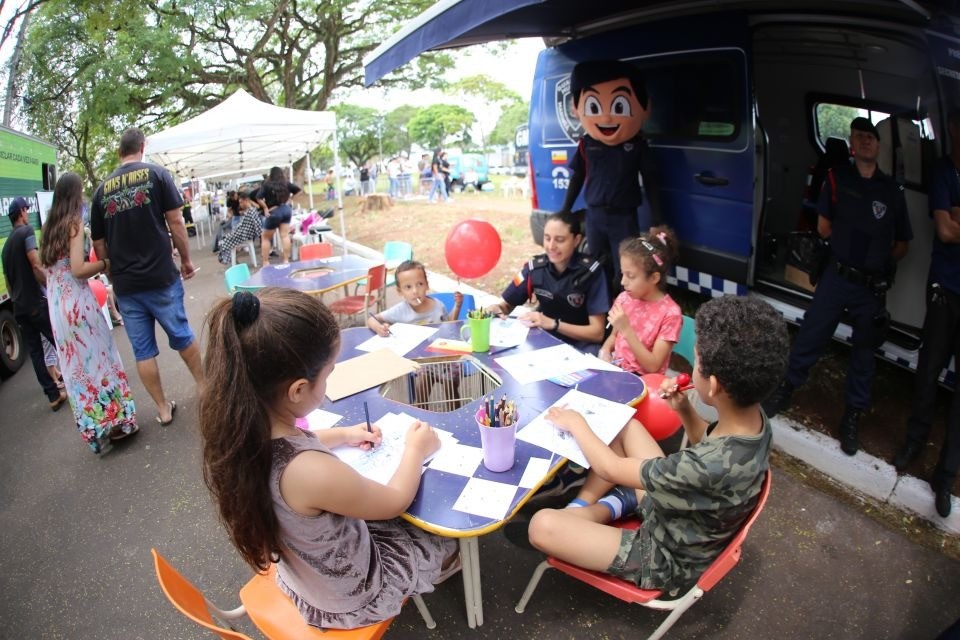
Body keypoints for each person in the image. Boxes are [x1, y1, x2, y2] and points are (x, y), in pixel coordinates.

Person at [199, 288, 458, 630]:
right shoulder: (309, 471)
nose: (329, 379)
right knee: (443, 532)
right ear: (298, 390)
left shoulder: (242, 430)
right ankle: (449, 570)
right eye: (328, 372)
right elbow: (394, 501)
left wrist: (345, 434)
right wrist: (416, 449)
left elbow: (299, 444)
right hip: (353, 594)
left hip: (305, 575)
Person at [526, 295, 788, 595]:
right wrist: (685, 410)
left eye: (696, 360)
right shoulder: (755, 421)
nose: (692, 363)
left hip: (664, 555)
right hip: (681, 510)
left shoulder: (703, 466)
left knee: (542, 526)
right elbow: (709, 440)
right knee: (627, 426)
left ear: (713, 386)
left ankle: (607, 507)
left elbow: (609, 467)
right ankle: (609, 504)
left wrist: (575, 422)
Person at [763, 117, 912, 456]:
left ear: (878, 145)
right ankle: (785, 390)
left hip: (870, 287)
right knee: (811, 335)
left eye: (870, 137)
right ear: (851, 142)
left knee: (864, 354)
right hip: (837, 276)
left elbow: (903, 244)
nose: (865, 142)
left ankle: (851, 418)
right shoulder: (836, 178)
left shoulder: (892, 191)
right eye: (859, 136)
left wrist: (876, 261)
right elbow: (824, 226)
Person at [89, 126, 202, 426]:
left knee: (142, 351)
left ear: (119, 152)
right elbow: (176, 221)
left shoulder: (101, 191)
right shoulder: (158, 175)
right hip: (161, 276)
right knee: (181, 335)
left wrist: (113, 272)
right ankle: (206, 389)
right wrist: (187, 260)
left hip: (126, 286)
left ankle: (163, 409)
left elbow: (99, 245)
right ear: (142, 146)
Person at [39, 172, 139, 454]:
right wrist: (107, 262)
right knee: (101, 360)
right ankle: (119, 421)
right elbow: (78, 270)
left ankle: (96, 430)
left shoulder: (47, 229)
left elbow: (51, 271)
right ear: (75, 194)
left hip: (58, 310)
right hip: (78, 305)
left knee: (76, 371)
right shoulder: (73, 225)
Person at [891, 110, 960, 518]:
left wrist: (955, 217)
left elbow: (954, 225)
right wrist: (951, 220)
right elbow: (946, 230)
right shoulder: (944, 172)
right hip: (945, 290)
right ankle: (914, 441)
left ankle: (945, 475)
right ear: (952, 128)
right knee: (928, 371)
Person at [559, 59, 662, 294]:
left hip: (624, 217)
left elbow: (651, 181)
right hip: (594, 216)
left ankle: (621, 312)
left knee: (625, 269)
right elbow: (577, 177)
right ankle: (599, 311)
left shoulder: (637, 145)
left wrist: (657, 220)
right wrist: (565, 210)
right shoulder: (587, 143)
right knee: (595, 265)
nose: (606, 118)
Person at [485, 210, 609, 354]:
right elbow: (507, 305)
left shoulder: (591, 272)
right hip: (543, 339)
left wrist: (553, 324)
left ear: (576, 240)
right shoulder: (535, 268)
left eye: (560, 240)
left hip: (581, 346)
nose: (551, 246)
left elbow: (597, 333)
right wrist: (497, 308)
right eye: (547, 238)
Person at [1, 197, 67, 410]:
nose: (28, 213)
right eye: (26, 209)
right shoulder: (26, 233)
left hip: (19, 306)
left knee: (36, 352)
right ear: (21, 212)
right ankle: (77, 380)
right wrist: (52, 286)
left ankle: (53, 395)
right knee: (58, 339)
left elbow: (10, 285)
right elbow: (36, 264)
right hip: (35, 303)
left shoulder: (5, 247)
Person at [600, 226, 682, 375]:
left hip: (645, 383)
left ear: (654, 278)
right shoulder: (624, 298)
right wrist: (605, 350)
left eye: (630, 276)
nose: (623, 282)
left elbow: (653, 366)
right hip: (617, 373)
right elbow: (613, 337)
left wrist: (627, 330)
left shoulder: (670, 314)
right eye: (622, 273)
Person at [367, 260, 462, 334]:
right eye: (408, 287)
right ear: (400, 291)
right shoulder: (400, 310)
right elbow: (371, 319)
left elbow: (449, 324)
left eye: (420, 284)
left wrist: (457, 306)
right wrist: (378, 328)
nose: (415, 291)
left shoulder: (438, 305)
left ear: (427, 285)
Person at [255, 166, 301, 265]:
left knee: (265, 238)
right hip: (286, 210)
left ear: (271, 174)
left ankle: (266, 262)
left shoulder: (267, 184)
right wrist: (289, 200)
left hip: (274, 211)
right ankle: (286, 260)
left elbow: (258, 198)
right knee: (285, 236)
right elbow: (298, 190)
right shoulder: (286, 183)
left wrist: (265, 207)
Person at [217, 189, 264, 265]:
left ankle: (230, 260)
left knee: (224, 241)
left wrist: (260, 235)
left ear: (246, 201)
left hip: (244, 234)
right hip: (244, 233)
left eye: (241, 202)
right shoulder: (250, 211)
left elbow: (257, 225)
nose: (240, 205)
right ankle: (232, 260)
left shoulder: (251, 211)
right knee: (224, 240)